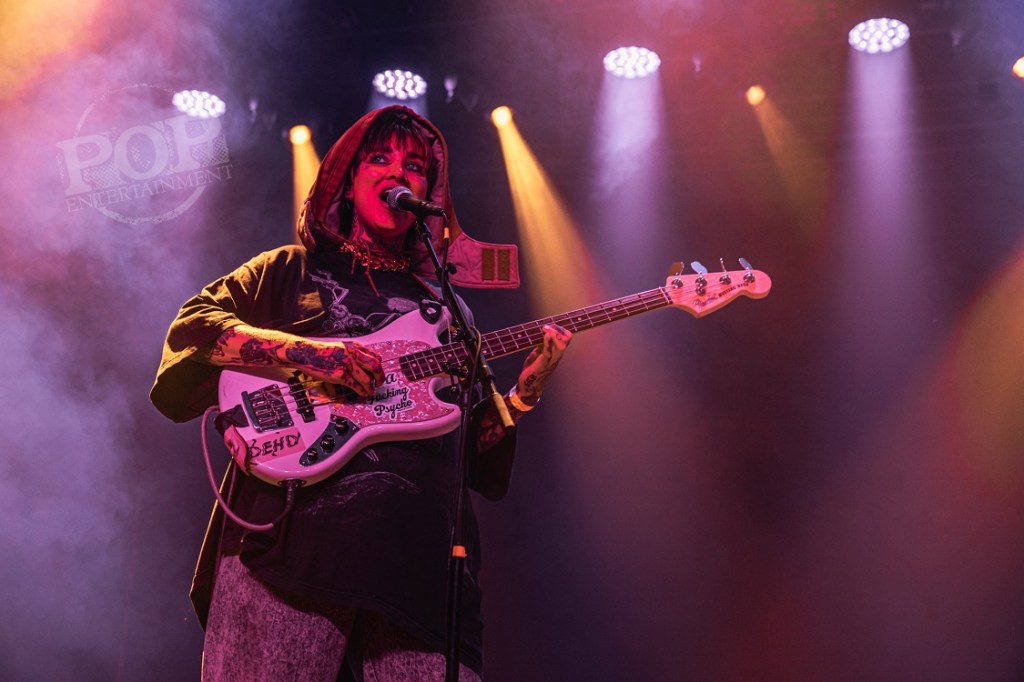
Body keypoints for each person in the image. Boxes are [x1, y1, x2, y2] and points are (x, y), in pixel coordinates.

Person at [150, 105, 572, 681]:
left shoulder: (448, 311)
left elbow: (471, 457)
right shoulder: (288, 270)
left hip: (419, 570)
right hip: (294, 547)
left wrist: (523, 394)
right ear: (347, 183)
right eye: (379, 159)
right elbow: (194, 328)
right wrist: (319, 356)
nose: (399, 173)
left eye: (415, 166)